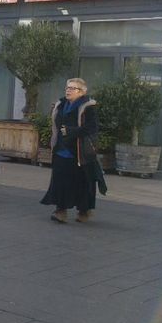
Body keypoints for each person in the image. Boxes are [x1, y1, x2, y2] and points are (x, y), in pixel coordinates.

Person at [41, 78, 105, 223]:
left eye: (72, 88)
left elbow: (91, 128)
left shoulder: (88, 107)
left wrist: (71, 131)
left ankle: (84, 211)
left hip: (79, 152)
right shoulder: (61, 104)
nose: (68, 90)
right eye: (67, 88)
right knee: (59, 180)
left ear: (81, 92)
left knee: (82, 183)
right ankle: (60, 211)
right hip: (61, 150)